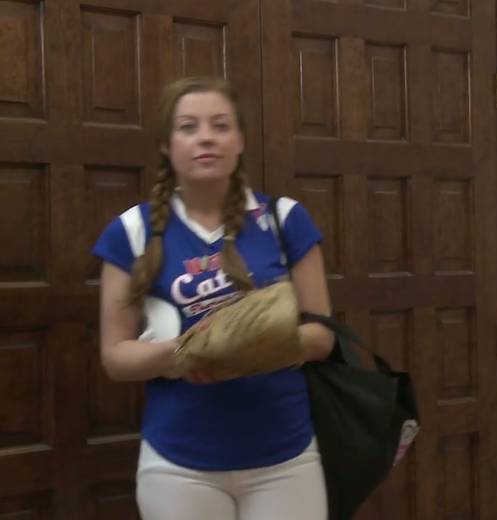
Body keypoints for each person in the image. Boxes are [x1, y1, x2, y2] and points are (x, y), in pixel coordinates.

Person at [93, 76, 333, 520]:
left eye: (220, 125)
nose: (206, 137)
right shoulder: (132, 231)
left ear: (240, 140)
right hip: (179, 464)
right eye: (188, 127)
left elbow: (322, 336)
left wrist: (250, 348)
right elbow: (115, 357)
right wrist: (188, 353)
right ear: (166, 144)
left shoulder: (284, 219)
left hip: (285, 456)